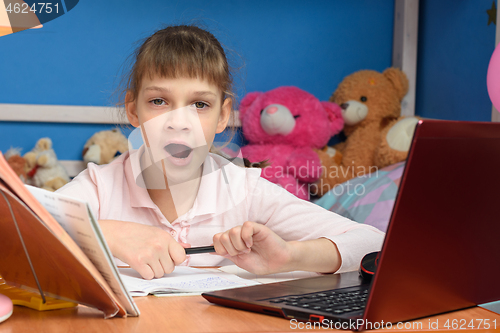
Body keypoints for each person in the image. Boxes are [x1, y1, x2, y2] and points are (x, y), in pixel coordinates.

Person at [57, 25, 384, 280]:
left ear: (223, 116)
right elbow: (13, 225)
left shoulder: (247, 190)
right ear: (133, 110)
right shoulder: (101, 187)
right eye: (159, 101)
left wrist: (289, 255)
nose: (179, 123)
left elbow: (375, 243)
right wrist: (107, 233)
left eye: (200, 104)